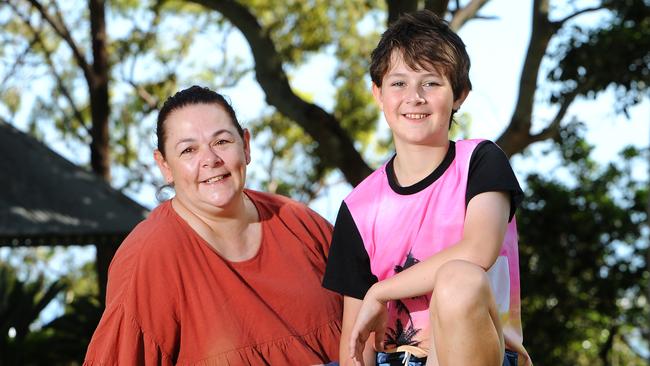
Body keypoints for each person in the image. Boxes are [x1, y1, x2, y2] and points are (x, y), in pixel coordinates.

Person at [322, 10, 532, 366]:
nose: (414, 96)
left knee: (459, 279)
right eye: (398, 83)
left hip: (477, 354)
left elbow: (478, 250)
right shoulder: (358, 207)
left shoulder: (480, 162)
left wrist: (382, 291)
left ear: (459, 95)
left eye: (431, 83)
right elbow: (355, 340)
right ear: (378, 94)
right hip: (395, 359)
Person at [84, 85, 342, 365]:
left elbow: (381, 329)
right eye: (188, 150)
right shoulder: (151, 255)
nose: (210, 160)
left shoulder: (299, 222)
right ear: (165, 166)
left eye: (221, 142)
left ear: (246, 145)